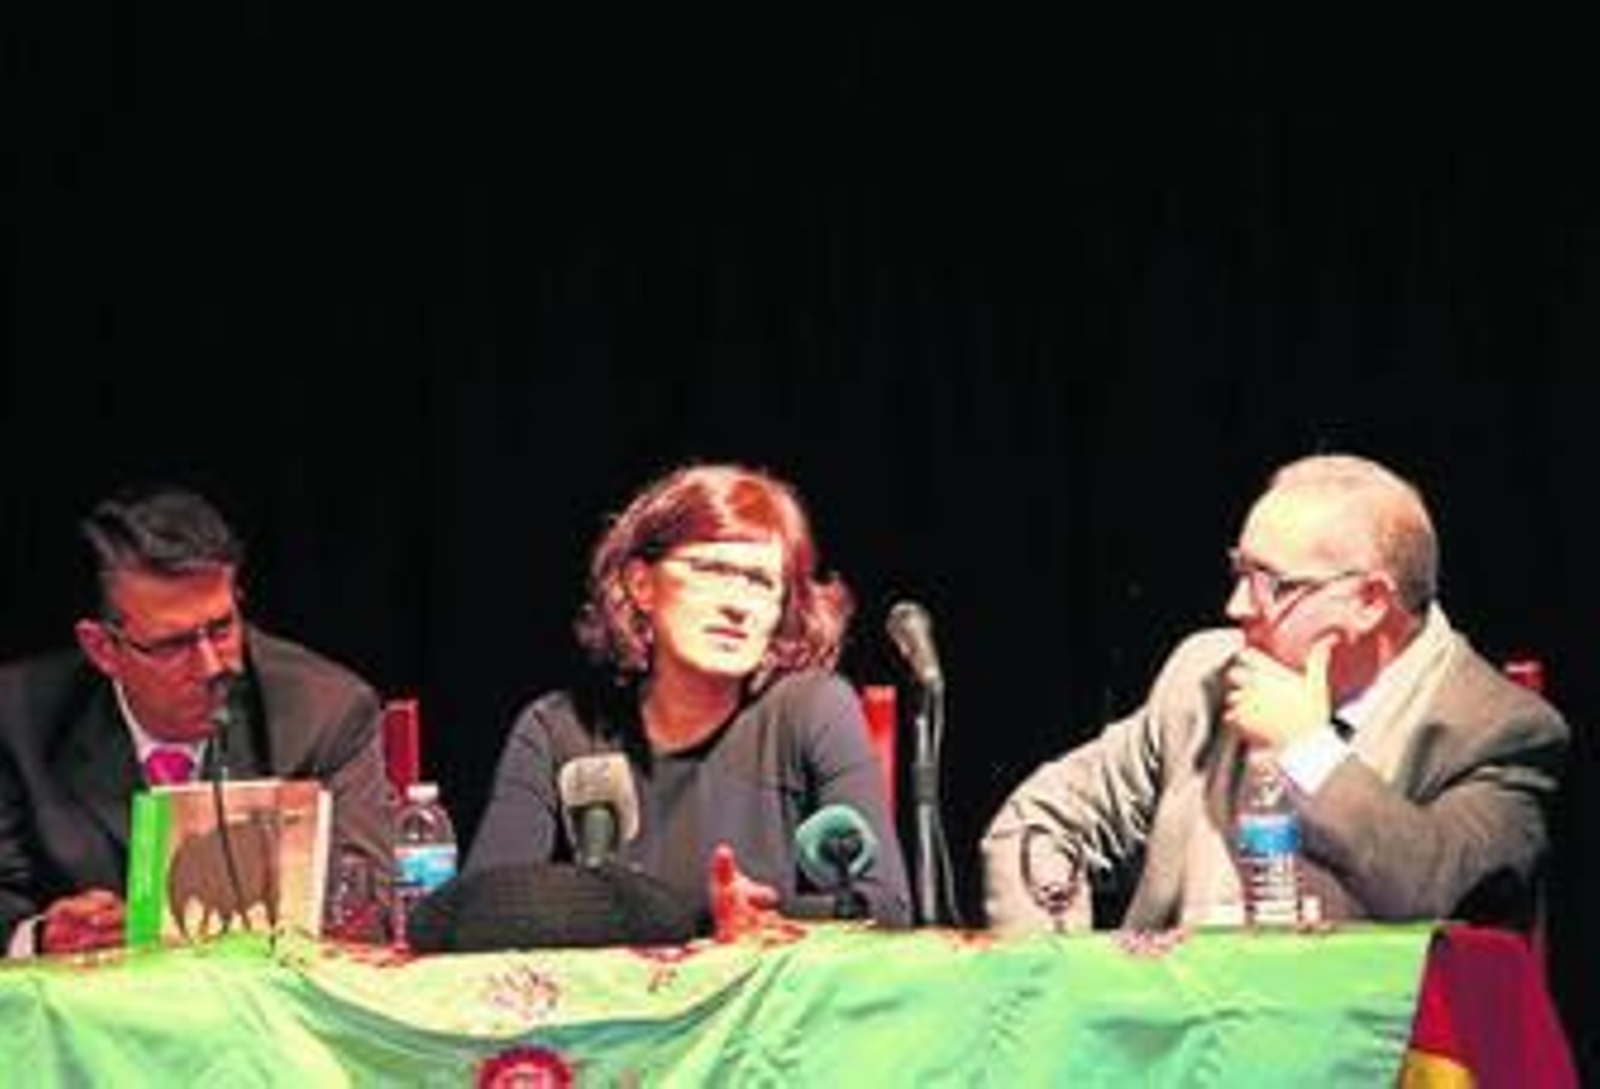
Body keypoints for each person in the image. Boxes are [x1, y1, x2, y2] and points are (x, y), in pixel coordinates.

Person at [983, 453, 1568, 933]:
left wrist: (1309, 752)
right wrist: (1057, 979)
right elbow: (1041, 820)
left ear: (1368, 601)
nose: (1236, 607)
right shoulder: (1205, 675)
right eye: (1240, 572)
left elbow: (1437, 890)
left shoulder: (1499, 730)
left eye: (1272, 585)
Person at [465, 462, 912, 933]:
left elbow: (887, 907)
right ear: (642, 585)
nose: (737, 604)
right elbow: (480, 913)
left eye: (761, 582)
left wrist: (767, 919)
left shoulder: (812, 710)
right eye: (713, 570)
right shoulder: (560, 729)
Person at [0, 485, 393, 955]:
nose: (212, 665)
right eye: (173, 645)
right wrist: (42, 936)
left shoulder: (324, 711)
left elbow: (367, 907)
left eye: (223, 628)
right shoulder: (16, 720)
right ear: (102, 648)